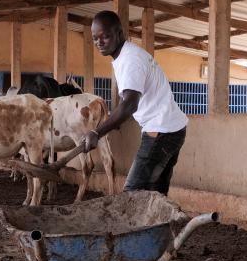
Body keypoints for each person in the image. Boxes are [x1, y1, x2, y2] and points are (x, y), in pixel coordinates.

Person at [48, 10, 188, 195]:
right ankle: (162, 224)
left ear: (119, 34)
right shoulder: (126, 56)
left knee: (131, 194)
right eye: (95, 38)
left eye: (105, 36)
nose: (99, 42)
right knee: (155, 195)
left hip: (161, 131)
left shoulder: (130, 61)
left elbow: (130, 104)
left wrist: (97, 132)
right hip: (172, 129)